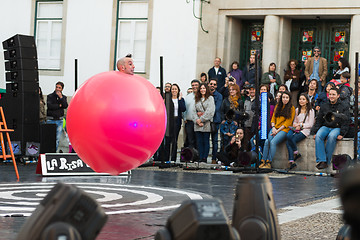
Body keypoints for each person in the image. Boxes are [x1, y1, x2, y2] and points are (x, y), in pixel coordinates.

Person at [311, 87, 350, 170]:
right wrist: (315, 131)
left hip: (337, 127)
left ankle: (326, 162)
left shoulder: (344, 106)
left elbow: (346, 120)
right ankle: (322, 160)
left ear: (338, 95)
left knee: (332, 137)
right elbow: (319, 119)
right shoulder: (324, 105)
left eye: (333, 94)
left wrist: (342, 133)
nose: (331, 96)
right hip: (325, 126)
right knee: (318, 136)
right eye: (330, 94)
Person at [260, 91, 295, 169]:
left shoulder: (292, 108)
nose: (285, 99)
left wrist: (277, 130)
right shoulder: (277, 106)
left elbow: (288, 123)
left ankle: (269, 162)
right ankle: (263, 161)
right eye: (283, 97)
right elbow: (273, 119)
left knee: (272, 142)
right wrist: (273, 128)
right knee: (266, 142)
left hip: (283, 130)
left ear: (289, 99)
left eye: (287, 98)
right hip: (274, 128)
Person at [286, 94, 315, 170]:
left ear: (307, 101)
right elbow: (294, 122)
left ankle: (291, 161)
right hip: (296, 129)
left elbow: (310, 124)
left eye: (303, 99)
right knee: (288, 136)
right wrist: (296, 125)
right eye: (300, 99)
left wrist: (301, 125)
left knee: (290, 141)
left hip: (305, 130)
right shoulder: (297, 110)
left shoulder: (311, 111)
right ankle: (296, 153)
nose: (301, 101)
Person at [192, 83, 215, 162]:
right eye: (201, 88)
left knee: (205, 141)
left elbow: (210, 111)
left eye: (204, 88)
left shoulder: (210, 98)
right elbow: (193, 111)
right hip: (197, 124)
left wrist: (201, 119)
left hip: (206, 123)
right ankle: (200, 157)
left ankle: (204, 157)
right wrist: (197, 120)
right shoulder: (196, 98)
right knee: (199, 142)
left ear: (207, 89)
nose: (202, 90)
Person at [164, 84, 186, 162]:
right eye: (172, 89)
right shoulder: (168, 99)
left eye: (175, 89)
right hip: (169, 121)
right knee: (167, 140)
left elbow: (183, 109)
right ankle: (166, 158)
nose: (174, 91)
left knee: (174, 140)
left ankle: (173, 158)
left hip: (177, 121)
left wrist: (179, 100)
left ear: (178, 90)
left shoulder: (180, 99)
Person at [47, 81, 68, 151]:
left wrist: (61, 98)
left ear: (62, 89)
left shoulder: (64, 97)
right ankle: (49, 151)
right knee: (49, 138)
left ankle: (54, 152)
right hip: (51, 119)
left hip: (59, 120)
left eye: (59, 88)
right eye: (56, 87)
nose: (57, 89)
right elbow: (50, 106)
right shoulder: (50, 96)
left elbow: (65, 106)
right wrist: (59, 105)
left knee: (57, 139)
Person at [208, 79, 223, 164]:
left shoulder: (219, 96)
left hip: (215, 120)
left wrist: (207, 113)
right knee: (206, 140)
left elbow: (216, 108)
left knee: (215, 141)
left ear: (216, 86)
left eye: (214, 84)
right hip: (206, 120)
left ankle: (214, 158)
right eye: (211, 84)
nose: (212, 85)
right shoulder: (205, 94)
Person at [184, 80, 200, 149]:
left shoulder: (202, 96)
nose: (194, 87)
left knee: (198, 140)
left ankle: (198, 157)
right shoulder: (188, 97)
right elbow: (185, 108)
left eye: (196, 85)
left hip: (199, 122)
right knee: (190, 140)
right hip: (189, 121)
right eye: (193, 85)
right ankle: (191, 157)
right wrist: (184, 118)